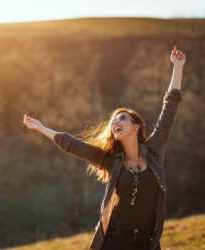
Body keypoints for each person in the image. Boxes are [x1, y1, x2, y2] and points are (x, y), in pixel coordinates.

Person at [23, 45, 185, 250]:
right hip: (115, 239)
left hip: (146, 241)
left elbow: (170, 106)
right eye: (114, 120)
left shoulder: (153, 150)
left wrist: (178, 66)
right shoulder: (111, 160)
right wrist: (42, 128)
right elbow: (75, 146)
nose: (115, 122)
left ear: (135, 127)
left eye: (122, 118)